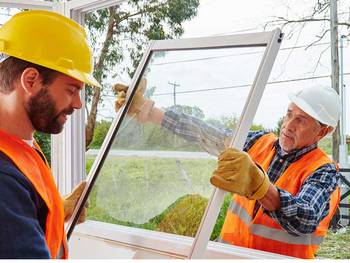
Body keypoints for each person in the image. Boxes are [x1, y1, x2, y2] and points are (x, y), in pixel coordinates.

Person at [115, 80, 341, 259]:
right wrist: (150, 112)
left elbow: (305, 218)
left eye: (301, 121)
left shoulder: (324, 171)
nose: (289, 125)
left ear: (322, 132)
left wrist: (261, 187)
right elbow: (206, 133)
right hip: (228, 256)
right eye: (289, 114)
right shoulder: (257, 143)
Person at [0, 10, 100, 259]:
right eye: (71, 90)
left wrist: (48, 208)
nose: (78, 104)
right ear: (31, 81)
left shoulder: (18, 144)